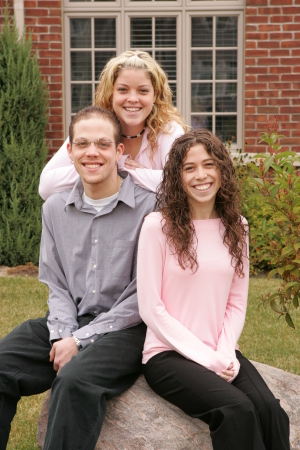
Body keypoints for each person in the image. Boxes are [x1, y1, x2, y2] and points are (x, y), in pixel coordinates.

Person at [0, 106, 156, 450]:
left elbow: (143, 294)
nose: (92, 152)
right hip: (71, 320)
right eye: (82, 143)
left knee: (73, 380)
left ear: (119, 152)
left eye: (102, 144)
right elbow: (55, 282)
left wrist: (80, 341)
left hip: (129, 329)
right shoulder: (54, 208)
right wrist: (62, 334)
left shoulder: (151, 209)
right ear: (69, 151)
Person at [137, 129, 290, 450]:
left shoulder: (238, 227)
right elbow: (151, 308)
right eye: (189, 168)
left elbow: (236, 303)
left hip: (220, 349)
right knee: (236, 410)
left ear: (222, 169)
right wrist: (208, 359)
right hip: (168, 356)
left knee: (270, 411)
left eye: (209, 164)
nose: (201, 175)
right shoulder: (157, 226)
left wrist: (224, 351)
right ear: (177, 177)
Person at [39, 50, 187, 200]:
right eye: (123, 90)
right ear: (111, 93)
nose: (133, 99)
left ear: (154, 95)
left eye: (143, 91)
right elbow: (46, 187)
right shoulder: (93, 127)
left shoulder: (168, 130)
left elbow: (183, 182)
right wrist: (111, 164)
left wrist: (121, 170)